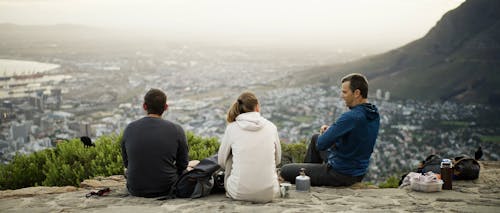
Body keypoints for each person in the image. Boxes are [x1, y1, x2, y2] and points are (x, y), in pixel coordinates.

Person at [280, 73, 380, 187]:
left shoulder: (351, 117)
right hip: (357, 170)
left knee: (285, 170)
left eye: (345, 92)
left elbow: (321, 144)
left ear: (357, 93)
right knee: (315, 137)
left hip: (340, 174)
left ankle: (305, 177)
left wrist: (329, 133)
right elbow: (356, 136)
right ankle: (306, 177)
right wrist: (333, 131)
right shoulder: (373, 113)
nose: (342, 96)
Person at [121, 88, 189, 197]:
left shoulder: (130, 128)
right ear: (166, 107)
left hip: (135, 188)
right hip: (166, 188)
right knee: (192, 165)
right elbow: (183, 165)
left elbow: (127, 163)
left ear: (144, 106)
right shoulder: (176, 129)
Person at [217, 92, 281, 203]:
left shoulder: (232, 128)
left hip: (238, 193)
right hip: (270, 193)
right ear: (257, 107)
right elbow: (278, 160)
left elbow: (221, 161)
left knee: (230, 155)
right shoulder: (271, 127)